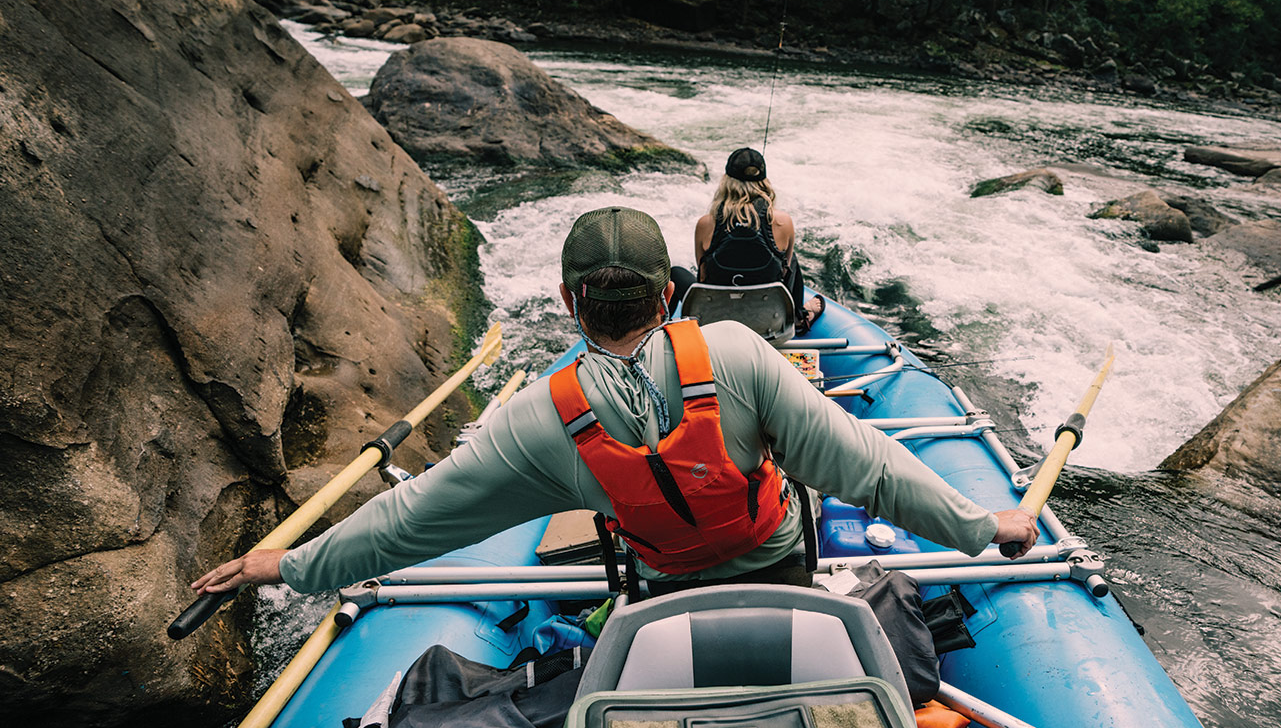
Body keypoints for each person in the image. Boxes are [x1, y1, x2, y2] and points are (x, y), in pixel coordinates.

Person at [192, 206, 1037, 599]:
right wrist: (982, 526)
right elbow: (870, 467)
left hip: (666, 592)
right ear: (669, 294)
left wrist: (286, 565)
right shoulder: (739, 355)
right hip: (780, 572)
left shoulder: (536, 421)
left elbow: (414, 518)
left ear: (570, 303)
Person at [673, 147, 824, 335]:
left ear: (726, 181)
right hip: (769, 323)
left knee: (675, 272)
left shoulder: (706, 223)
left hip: (715, 322)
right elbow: (784, 273)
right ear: (764, 182)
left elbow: (703, 277)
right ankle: (799, 317)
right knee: (790, 261)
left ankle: (660, 333)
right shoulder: (783, 222)